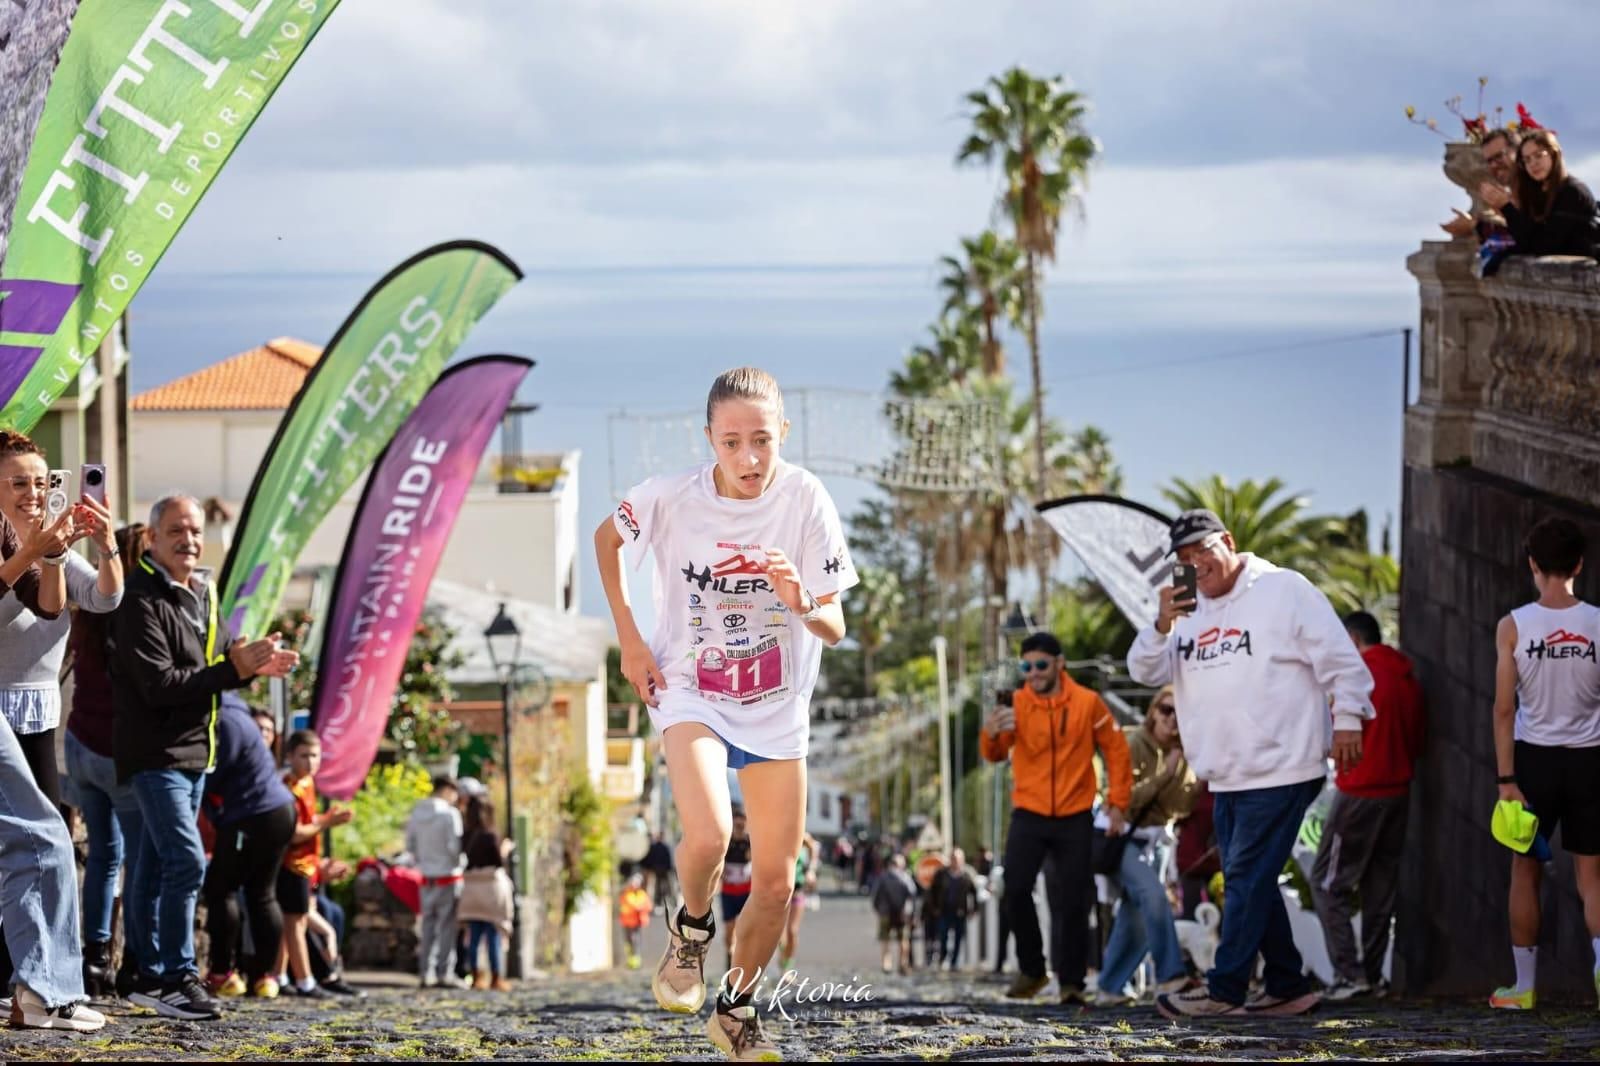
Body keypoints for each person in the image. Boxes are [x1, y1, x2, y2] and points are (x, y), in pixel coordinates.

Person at [595, 366, 857, 1062]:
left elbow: (835, 626)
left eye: (762, 440)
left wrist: (801, 599)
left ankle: (735, 1010)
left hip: (775, 703)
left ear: (784, 434)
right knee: (709, 835)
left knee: (775, 882)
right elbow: (606, 541)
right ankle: (691, 931)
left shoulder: (806, 498)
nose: (748, 458)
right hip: (692, 687)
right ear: (708, 437)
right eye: (732, 441)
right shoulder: (671, 496)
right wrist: (630, 641)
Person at [1127, 508, 1374, 1019]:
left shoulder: (1283, 589)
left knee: (1244, 874)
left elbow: (1340, 658)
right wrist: (1161, 624)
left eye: (1203, 549)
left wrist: (1349, 716)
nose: (1195, 564)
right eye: (1183, 558)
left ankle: (1225, 989)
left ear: (1229, 540)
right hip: (1225, 773)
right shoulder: (1185, 613)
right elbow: (1144, 672)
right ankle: (1286, 984)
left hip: (1285, 763)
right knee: (1250, 877)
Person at [113, 493, 297, 1020]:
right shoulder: (138, 599)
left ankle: (143, 975)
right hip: (156, 755)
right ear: (152, 539)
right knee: (187, 861)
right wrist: (234, 670)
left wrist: (253, 663)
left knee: (153, 866)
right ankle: (177, 976)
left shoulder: (202, 592)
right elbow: (159, 685)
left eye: (194, 530)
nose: (189, 540)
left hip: (198, 752)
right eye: (176, 530)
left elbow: (219, 660)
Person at [981, 630, 1133, 1005]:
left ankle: (1072, 982)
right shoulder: (1016, 703)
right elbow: (995, 755)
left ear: (1060, 664)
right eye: (1026, 666)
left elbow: (1116, 750)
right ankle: (1033, 969)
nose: (1033, 673)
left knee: (1074, 899)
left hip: (1075, 813)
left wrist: (1118, 801)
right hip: (1029, 811)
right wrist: (991, 733)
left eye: (1041, 665)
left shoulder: (1088, 702)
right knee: (1015, 887)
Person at [1489, 517, 1600, 1011]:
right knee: (1592, 877)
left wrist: (1506, 779)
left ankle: (1524, 987)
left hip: (1533, 762)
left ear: (1532, 564)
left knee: (1525, 870)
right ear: (1579, 565)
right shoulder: (1598, 624)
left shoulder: (1514, 626)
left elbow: (1503, 709)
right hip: (1590, 758)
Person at [1312, 611, 1426, 1001]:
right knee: (1380, 886)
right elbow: (1418, 738)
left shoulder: (1358, 677)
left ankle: (1349, 974)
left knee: (1327, 883)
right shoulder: (1407, 677)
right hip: (1399, 792)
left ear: (1352, 639)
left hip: (1360, 790)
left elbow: (1337, 734)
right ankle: (1374, 977)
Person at [63, 522, 146, 1002]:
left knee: (102, 856)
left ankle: (94, 958)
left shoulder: (89, 610)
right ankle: (133, 960)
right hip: (117, 751)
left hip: (81, 743)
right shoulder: (133, 611)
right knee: (139, 857)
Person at [1093, 685, 1199, 1006]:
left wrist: (1179, 770)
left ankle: (1110, 986)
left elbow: (1181, 807)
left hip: (1158, 840)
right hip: (1123, 836)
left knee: (1137, 915)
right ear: (1153, 711)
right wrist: (1165, 775)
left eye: (1179, 712)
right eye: (1166, 709)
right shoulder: (1133, 742)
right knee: (1153, 895)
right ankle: (1171, 976)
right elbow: (1123, 798)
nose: (1172, 718)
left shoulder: (1186, 753)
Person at [201, 693, 296, 999]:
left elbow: (213, 773)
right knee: (262, 893)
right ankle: (265, 978)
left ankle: (223, 974)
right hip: (280, 810)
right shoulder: (240, 716)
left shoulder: (226, 720)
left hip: (251, 813)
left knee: (221, 888)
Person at [272, 729, 352, 998]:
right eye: (304, 755)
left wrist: (326, 820)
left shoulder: (307, 783)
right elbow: (294, 833)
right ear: (290, 756)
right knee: (295, 922)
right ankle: (305, 980)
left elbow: (309, 822)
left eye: (315, 756)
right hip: (291, 863)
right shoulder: (289, 786)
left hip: (306, 863)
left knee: (292, 922)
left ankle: (279, 975)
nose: (311, 762)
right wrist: (326, 823)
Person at [1480, 129, 1600, 259]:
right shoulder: (1541, 193)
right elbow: (1527, 240)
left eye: (1538, 155)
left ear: (1554, 155)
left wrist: (1506, 207)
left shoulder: (1572, 191)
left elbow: (1543, 245)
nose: (1533, 164)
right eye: (1527, 160)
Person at [406, 774, 465, 989]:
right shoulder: (450, 814)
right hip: (448, 876)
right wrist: (459, 863)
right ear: (448, 790)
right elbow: (454, 847)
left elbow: (410, 846)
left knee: (427, 926)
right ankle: (444, 972)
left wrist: (424, 862)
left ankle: (425, 971)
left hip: (426, 877)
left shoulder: (417, 812)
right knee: (447, 928)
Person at [457, 795, 514, 991]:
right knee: (493, 935)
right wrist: (505, 849)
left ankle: (476, 976)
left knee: (473, 936)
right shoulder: (491, 835)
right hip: (490, 889)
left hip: (471, 889)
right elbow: (498, 861)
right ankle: (496, 977)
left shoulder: (466, 836)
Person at [930, 848, 979, 971]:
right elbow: (933, 891)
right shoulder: (941, 874)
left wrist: (974, 909)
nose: (955, 861)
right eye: (953, 859)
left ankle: (954, 962)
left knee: (958, 937)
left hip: (960, 911)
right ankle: (943, 957)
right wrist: (934, 907)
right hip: (944, 910)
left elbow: (974, 892)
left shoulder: (967, 874)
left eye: (957, 859)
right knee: (943, 935)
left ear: (962, 860)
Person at [718, 806, 754, 971]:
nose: (739, 826)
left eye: (742, 823)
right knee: (729, 929)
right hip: (729, 892)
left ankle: (743, 960)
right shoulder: (726, 842)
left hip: (746, 892)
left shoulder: (750, 841)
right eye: (737, 823)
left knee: (746, 929)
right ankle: (729, 956)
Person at [778, 832, 819, 971]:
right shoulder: (779, 835)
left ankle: (787, 966)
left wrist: (811, 870)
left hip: (798, 890)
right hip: (780, 893)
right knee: (779, 934)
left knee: (792, 931)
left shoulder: (803, 836)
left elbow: (813, 848)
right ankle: (782, 958)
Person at [871, 854, 917, 974]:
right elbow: (912, 897)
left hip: (890, 913)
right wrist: (909, 913)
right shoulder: (905, 878)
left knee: (892, 940)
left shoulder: (884, 877)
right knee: (898, 940)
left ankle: (891, 963)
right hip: (897, 913)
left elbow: (875, 895)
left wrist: (878, 909)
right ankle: (898, 963)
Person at [620, 872, 653, 970]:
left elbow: (648, 906)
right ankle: (630, 961)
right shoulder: (627, 894)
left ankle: (636, 962)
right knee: (628, 941)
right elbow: (631, 905)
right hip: (627, 922)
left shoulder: (642, 894)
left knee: (636, 941)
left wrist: (640, 907)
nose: (635, 885)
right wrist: (639, 907)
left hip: (637, 922)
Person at [641, 833, 675, 916]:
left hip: (657, 869)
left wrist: (652, 867)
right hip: (663, 869)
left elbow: (652, 858)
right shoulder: (664, 847)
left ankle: (659, 902)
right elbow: (667, 858)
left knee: (658, 887)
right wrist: (668, 868)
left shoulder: (654, 847)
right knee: (666, 887)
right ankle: (669, 902)